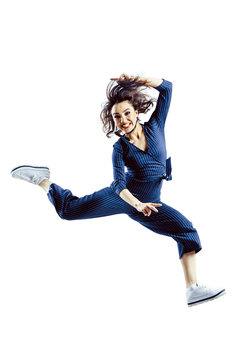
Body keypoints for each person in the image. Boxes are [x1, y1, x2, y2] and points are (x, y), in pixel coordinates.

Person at [11, 73, 225, 307]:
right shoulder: (120, 148)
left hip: (151, 202)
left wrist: (139, 79)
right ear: (113, 121)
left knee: (186, 231)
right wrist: (137, 204)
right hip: (125, 198)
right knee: (68, 212)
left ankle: (192, 289)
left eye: (126, 113)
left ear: (136, 112)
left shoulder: (155, 126)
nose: (123, 119)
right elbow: (118, 184)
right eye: (116, 116)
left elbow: (168, 88)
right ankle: (43, 180)